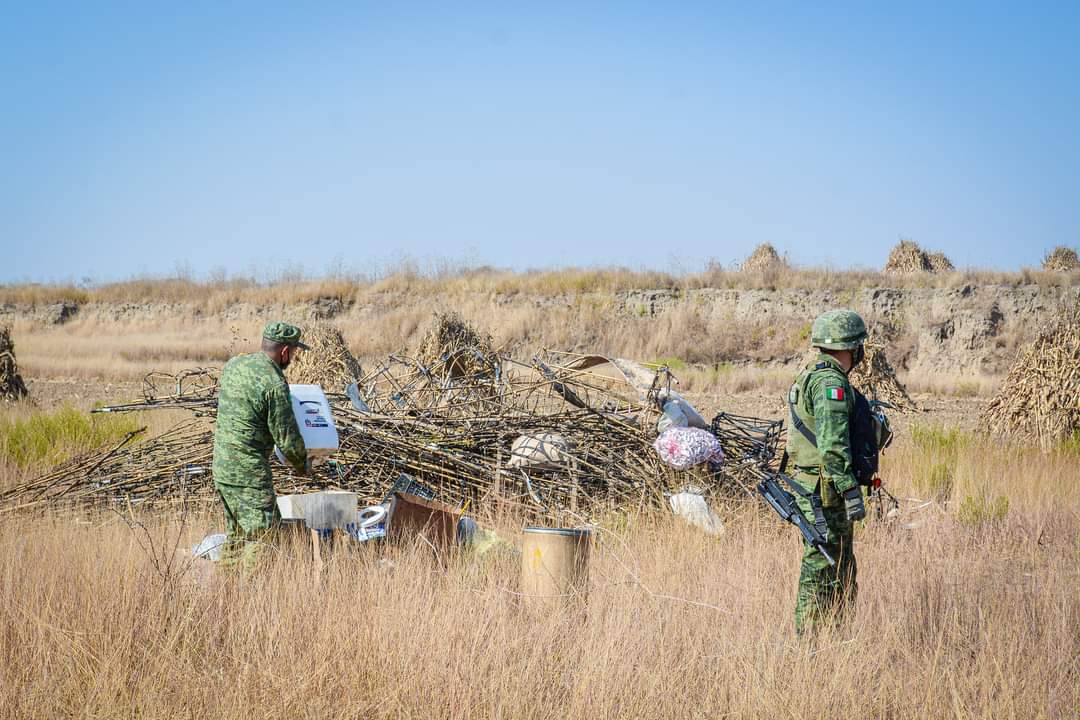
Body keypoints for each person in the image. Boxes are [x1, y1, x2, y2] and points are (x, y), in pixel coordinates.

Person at [784, 309, 868, 634]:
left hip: (815, 488)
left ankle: (836, 641)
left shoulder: (810, 374)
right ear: (854, 348)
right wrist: (850, 491)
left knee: (840, 568)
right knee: (821, 568)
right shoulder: (830, 383)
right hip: (825, 494)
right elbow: (832, 445)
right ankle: (810, 647)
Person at [212, 321, 310, 569]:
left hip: (222, 467)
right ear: (285, 351)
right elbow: (286, 438)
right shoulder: (274, 383)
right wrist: (303, 465)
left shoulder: (235, 365)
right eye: (294, 353)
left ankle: (228, 597)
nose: (293, 359)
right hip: (249, 473)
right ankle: (249, 599)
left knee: (237, 536)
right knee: (265, 536)